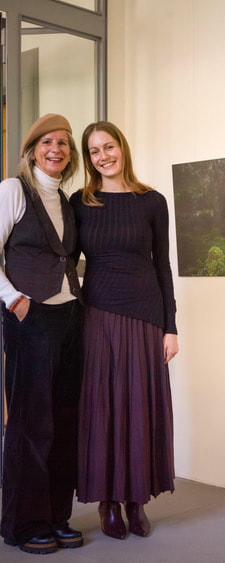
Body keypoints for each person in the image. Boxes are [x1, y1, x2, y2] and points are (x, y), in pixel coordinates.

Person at [70, 121, 178, 540]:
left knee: (138, 407)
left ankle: (136, 499)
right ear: (89, 159)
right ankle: (108, 501)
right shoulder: (81, 203)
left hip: (146, 317)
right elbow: (66, 262)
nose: (103, 157)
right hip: (97, 315)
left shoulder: (152, 201)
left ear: (122, 148)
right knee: (103, 408)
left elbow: (162, 267)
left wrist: (171, 327)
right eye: (94, 151)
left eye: (109, 147)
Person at [0, 114, 83, 555]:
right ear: (32, 150)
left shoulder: (66, 200)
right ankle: (23, 523)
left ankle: (55, 517)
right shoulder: (12, 191)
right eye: (47, 142)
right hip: (30, 319)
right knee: (31, 423)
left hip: (70, 317)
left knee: (64, 420)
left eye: (64, 143)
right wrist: (14, 298)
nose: (56, 149)